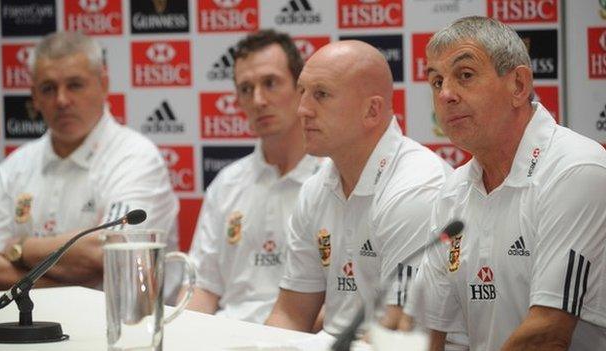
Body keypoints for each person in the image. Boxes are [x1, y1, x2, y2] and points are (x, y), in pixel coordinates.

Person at [404, 16, 606, 351]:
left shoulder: (575, 169)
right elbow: (427, 330)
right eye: (436, 82)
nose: (446, 94)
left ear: (518, 85)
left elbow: (547, 334)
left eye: (464, 75)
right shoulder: (453, 192)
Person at [264, 40, 452, 336]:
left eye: (321, 95)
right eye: (302, 92)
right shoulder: (316, 187)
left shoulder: (416, 187)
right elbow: (290, 313)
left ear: (372, 111)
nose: (302, 110)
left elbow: (398, 335)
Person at [0, 32, 179, 297]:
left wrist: (19, 247)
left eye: (75, 85)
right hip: (24, 329)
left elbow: (107, 254)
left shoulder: (136, 156)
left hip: (115, 331)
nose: (62, 100)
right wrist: (68, 287)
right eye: (48, 88)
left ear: (103, 84)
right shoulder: (13, 168)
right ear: (34, 96)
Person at [186, 29, 321, 323]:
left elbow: (343, 302)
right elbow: (203, 289)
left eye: (270, 83)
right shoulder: (227, 183)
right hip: (226, 336)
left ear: (301, 89)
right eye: (246, 89)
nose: (258, 100)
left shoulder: (333, 178)